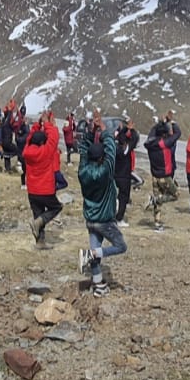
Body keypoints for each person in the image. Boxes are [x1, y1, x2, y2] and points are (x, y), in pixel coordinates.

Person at [77, 111, 126, 297]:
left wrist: (91, 132)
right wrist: (105, 132)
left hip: (90, 218)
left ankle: (98, 286)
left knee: (96, 250)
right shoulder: (105, 171)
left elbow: (83, 150)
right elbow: (112, 153)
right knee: (120, 246)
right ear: (100, 158)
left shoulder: (83, 170)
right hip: (104, 219)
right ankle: (91, 255)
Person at [22, 110, 62, 247]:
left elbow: (29, 139)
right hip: (46, 189)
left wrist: (38, 125)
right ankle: (38, 223)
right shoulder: (45, 151)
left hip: (32, 190)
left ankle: (40, 242)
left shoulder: (27, 151)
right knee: (56, 208)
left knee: (38, 213)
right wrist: (48, 124)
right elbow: (54, 138)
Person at [143, 112, 181, 231]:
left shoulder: (149, 143)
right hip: (164, 175)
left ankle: (157, 223)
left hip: (154, 175)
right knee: (175, 195)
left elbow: (153, 131)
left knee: (158, 198)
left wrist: (161, 123)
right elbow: (178, 133)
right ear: (164, 134)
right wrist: (172, 122)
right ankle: (154, 200)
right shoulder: (164, 144)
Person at [113, 118, 139, 227]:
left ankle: (112, 214)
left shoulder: (115, 147)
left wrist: (123, 129)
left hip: (115, 175)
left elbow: (119, 136)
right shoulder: (126, 149)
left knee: (115, 196)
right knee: (124, 197)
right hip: (124, 176)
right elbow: (135, 140)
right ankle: (119, 219)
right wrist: (131, 129)